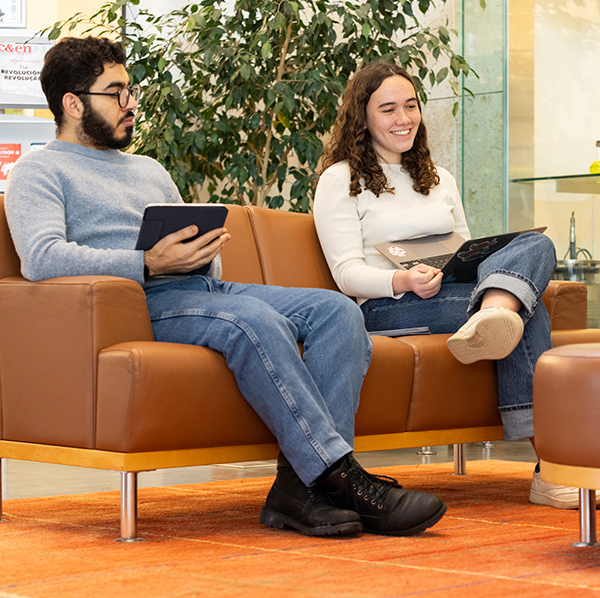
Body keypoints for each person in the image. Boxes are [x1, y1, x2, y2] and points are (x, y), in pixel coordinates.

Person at [5, 38, 448, 536]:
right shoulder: (38, 171)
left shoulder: (148, 169)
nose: (131, 104)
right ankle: (340, 477)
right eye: (117, 93)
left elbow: (200, 261)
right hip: (133, 302)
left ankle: (295, 492)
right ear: (73, 102)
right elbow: (41, 258)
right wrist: (147, 262)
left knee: (337, 311)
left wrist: (200, 252)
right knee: (254, 321)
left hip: (201, 290)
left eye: (131, 90)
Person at [313, 60, 579, 510]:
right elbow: (346, 274)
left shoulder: (439, 179)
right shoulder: (340, 180)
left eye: (411, 106)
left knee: (535, 245)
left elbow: (467, 247)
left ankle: (495, 311)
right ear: (363, 117)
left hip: (455, 292)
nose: (404, 119)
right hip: (388, 306)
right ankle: (552, 467)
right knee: (528, 311)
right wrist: (403, 279)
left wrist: (472, 262)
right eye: (389, 109)